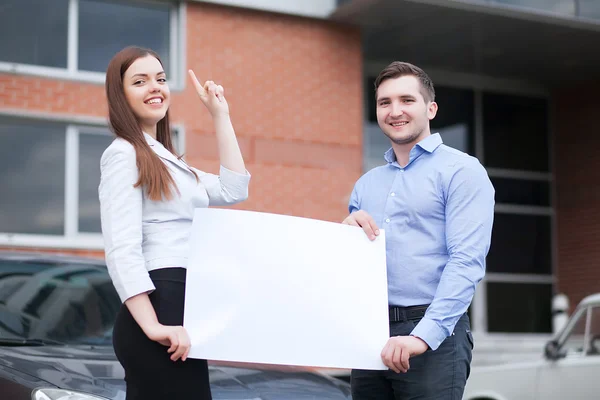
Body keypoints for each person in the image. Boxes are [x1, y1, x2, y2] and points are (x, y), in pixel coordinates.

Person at [99, 46, 250, 400]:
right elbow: (122, 248)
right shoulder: (123, 154)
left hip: (181, 304)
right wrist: (153, 325)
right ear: (120, 95)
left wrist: (220, 114)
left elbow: (234, 188)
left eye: (161, 79)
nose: (155, 87)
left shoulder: (167, 160)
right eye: (140, 81)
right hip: (158, 305)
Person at [343, 61, 494, 399]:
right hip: (370, 336)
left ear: (431, 108)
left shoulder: (462, 171)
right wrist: (344, 237)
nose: (395, 111)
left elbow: (466, 261)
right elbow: (351, 267)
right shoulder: (365, 185)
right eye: (385, 103)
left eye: (406, 100)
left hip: (433, 335)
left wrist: (422, 336)